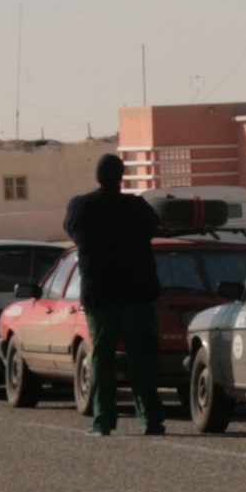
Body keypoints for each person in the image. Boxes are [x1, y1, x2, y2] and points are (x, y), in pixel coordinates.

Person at [62, 152, 168, 436]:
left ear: (98, 176)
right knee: (142, 358)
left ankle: (103, 420)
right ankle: (151, 419)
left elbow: (73, 231)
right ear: (122, 176)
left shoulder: (81, 206)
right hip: (138, 292)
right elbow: (152, 227)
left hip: (100, 293)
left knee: (102, 358)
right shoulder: (137, 207)